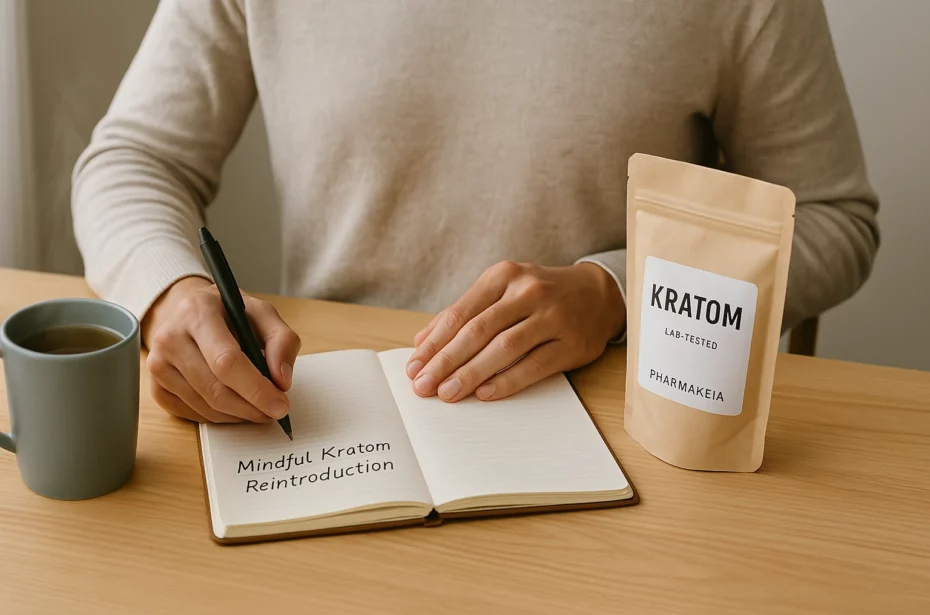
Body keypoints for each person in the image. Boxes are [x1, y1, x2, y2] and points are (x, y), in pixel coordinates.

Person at [71, 0, 879, 426]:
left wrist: (620, 293)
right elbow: (134, 158)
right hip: (332, 417)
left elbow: (832, 216)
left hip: (616, 424)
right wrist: (169, 292)